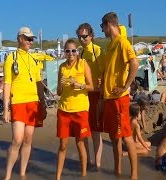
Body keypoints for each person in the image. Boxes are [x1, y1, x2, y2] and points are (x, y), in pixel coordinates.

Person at [3, 27, 47, 180]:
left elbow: (38, 83)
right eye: (28, 38)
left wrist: (43, 104)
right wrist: (5, 109)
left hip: (33, 102)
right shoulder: (11, 57)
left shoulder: (34, 59)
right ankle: (7, 175)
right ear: (19, 38)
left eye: (32, 38)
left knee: (28, 140)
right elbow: (7, 83)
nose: (31, 41)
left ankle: (22, 173)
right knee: (17, 140)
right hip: (18, 102)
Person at [100, 12, 139, 179]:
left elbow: (135, 64)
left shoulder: (122, 42)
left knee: (126, 137)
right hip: (109, 98)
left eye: (102, 27)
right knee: (114, 138)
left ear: (109, 24)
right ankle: (117, 172)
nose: (102, 30)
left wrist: (125, 86)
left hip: (118, 99)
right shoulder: (111, 44)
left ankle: (134, 175)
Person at [56, 39, 94, 179]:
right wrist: (60, 84)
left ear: (77, 52)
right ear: (64, 53)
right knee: (63, 145)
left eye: (73, 50)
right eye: (67, 51)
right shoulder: (62, 67)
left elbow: (91, 86)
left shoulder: (83, 64)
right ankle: (58, 176)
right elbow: (59, 92)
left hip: (80, 110)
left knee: (80, 143)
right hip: (64, 110)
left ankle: (83, 174)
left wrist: (79, 84)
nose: (71, 53)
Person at [76, 23, 104, 169]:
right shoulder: (80, 53)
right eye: (79, 36)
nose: (82, 39)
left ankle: (97, 163)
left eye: (84, 36)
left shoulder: (97, 50)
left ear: (91, 36)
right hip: (83, 94)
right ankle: (86, 160)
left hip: (96, 94)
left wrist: (101, 87)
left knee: (95, 131)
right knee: (83, 130)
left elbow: (105, 70)